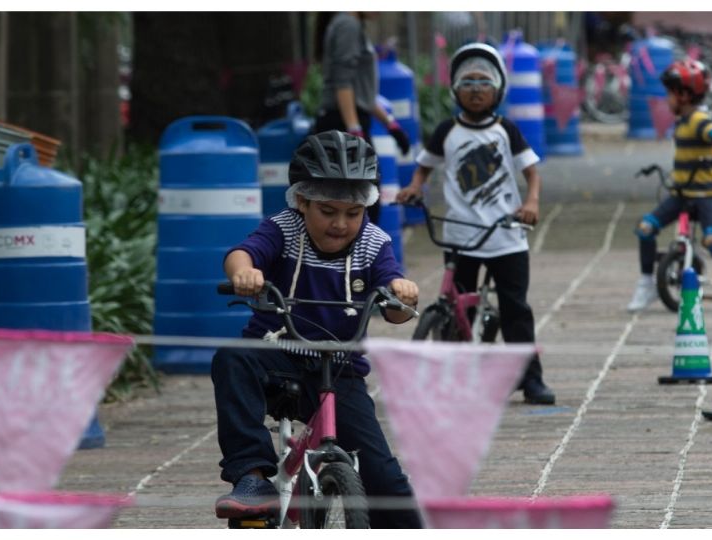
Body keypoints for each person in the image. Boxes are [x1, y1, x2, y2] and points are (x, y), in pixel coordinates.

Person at [212, 131, 423, 528]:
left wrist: (402, 296)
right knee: (232, 359)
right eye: (327, 210)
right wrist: (245, 273)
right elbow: (243, 253)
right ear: (302, 201)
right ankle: (253, 479)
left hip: (339, 370)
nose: (341, 223)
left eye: (353, 212)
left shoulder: (374, 244)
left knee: (388, 485)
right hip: (277, 355)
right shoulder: (284, 229)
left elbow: (394, 308)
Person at [394, 43, 555, 405]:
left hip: (506, 236)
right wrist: (415, 187)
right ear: (454, 89)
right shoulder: (447, 131)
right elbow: (425, 165)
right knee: (454, 309)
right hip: (461, 235)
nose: (476, 89)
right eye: (467, 82)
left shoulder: (506, 130)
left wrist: (530, 203)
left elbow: (532, 173)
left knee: (516, 309)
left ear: (498, 89)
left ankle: (531, 380)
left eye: (484, 82)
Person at [627, 59, 712, 312]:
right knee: (646, 228)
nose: (667, 100)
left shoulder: (699, 120)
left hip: (706, 196)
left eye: (669, 94)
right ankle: (647, 284)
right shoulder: (682, 121)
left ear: (684, 95)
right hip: (681, 194)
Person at [313, 12, 411, 223]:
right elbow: (343, 83)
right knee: (358, 206)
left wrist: (390, 124)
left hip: (349, 120)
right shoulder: (347, 25)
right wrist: (354, 130)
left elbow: (360, 92)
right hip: (341, 123)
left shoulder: (352, 24)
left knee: (365, 203)